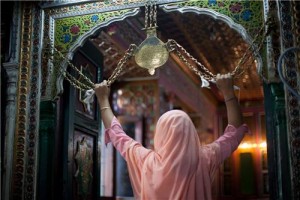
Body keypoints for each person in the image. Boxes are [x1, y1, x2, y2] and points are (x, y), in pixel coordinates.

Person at [94, 73, 248, 200]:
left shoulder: (145, 161)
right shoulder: (205, 158)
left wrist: (102, 99)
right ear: (192, 133)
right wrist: (228, 93)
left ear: (160, 135)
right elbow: (234, 133)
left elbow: (117, 134)